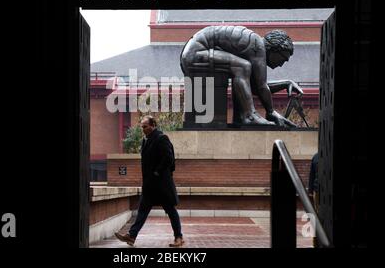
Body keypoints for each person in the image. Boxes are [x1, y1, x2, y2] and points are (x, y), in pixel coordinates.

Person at [180, 26, 303, 127]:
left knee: (242, 69)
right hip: (195, 55)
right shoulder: (258, 46)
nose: (281, 64)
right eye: (283, 59)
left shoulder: (253, 46)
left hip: (193, 55)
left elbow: (253, 87)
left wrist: (285, 84)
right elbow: (261, 87)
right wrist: (271, 112)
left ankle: (240, 117)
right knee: (242, 67)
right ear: (276, 49)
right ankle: (248, 116)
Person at [115, 115, 184, 247]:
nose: (143, 129)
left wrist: (157, 172)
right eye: (142, 127)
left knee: (170, 210)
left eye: (145, 126)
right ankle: (131, 236)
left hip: (162, 184)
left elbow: (169, 159)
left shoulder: (161, 138)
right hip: (149, 185)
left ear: (153, 126)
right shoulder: (145, 140)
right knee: (142, 210)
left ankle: (179, 237)